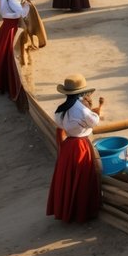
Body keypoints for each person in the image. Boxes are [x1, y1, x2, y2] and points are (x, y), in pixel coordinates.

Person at [46, 74, 104, 223]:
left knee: (68, 179)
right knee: (83, 178)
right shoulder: (82, 110)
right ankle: (82, 212)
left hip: (67, 146)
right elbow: (94, 122)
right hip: (80, 146)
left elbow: (60, 125)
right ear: (82, 93)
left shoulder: (60, 109)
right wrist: (91, 109)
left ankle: (67, 211)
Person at [0, 0, 31, 102]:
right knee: (12, 55)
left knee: (3, 54)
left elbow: (6, 12)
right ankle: (11, 81)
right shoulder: (12, 1)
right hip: (13, 30)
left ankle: (2, 82)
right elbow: (22, 14)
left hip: (5, 29)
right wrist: (27, 6)